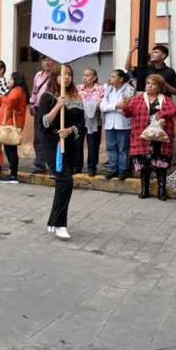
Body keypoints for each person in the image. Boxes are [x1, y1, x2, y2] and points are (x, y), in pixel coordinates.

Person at [43, 66, 86, 240]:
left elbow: (82, 124)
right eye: (63, 75)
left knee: (63, 183)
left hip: (70, 146)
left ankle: (53, 221)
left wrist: (70, 130)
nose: (66, 77)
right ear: (55, 78)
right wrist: (58, 106)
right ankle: (60, 224)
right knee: (65, 181)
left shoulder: (76, 97)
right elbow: (44, 123)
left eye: (69, 74)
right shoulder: (48, 97)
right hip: (53, 145)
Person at [122, 75, 176, 200]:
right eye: (148, 83)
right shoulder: (138, 99)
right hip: (143, 136)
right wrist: (125, 106)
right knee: (144, 165)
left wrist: (161, 114)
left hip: (160, 136)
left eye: (153, 84)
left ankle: (161, 191)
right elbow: (128, 114)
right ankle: (144, 190)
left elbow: (175, 110)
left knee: (161, 165)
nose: (149, 86)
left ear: (159, 87)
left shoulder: (165, 99)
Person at [0, 71, 29, 183]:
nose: (8, 81)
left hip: (10, 125)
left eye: (10, 79)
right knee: (9, 149)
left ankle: (13, 175)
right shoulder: (16, 91)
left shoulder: (17, 91)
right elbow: (4, 103)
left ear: (16, 80)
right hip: (9, 124)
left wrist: (2, 95)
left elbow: (9, 102)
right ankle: (12, 173)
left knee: (11, 150)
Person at [99, 70, 134, 180]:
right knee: (111, 148)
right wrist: (115, 106)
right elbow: (102, 107)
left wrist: (111, 107)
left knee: (123, 149)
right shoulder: (108, 90)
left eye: (113, 76)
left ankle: (123, 171)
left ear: (121, 79)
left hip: (123, 124)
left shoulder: (129, 89)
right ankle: (113, 169)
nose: (111, 79)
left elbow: (125, 106)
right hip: (110, 124)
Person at [30, 56, 58, 174]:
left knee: (49, 138)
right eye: (44, 60)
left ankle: (52, 164)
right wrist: (31, 103)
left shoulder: (56, 76)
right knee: (38, 137)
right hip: (37, 108)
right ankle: (39, 163)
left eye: (49, 60)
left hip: (50, 109)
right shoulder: (38, 75)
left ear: (54, 62)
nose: (47, 63)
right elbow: (34, 90)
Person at [76, 68, 104, 176]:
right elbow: (75, 101)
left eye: (88, 75)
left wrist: (86, 105)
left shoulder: (100, 89)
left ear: (94, 77)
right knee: (77, 143)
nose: (85, 78)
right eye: (84, 75)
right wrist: (90, 105)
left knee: (93, 144)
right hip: (79, 119)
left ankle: (92, 167)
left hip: (94, 120)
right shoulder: (78, 88)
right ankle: (77, 165)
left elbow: (101, 103)